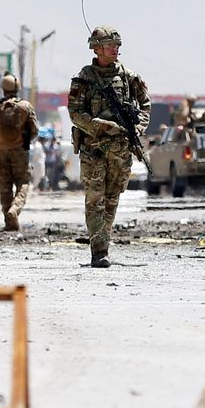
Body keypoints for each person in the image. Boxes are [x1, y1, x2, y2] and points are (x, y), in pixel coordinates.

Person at [68, 25, 150, 268]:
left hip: (120, 149)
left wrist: (139, 127)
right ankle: (99, 251)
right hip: (93, 148)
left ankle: (104, 241)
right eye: (109, 45)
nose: (115, 49)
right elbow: (75, 113)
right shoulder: (84, 79)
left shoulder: (129, 77)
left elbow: (145, 105)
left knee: (112, 198)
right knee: (95, 199)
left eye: (116, 45)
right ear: (96, 48)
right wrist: (102, 126)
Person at [0, 73, 39, 231]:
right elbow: (35, 130)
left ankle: (9, 222)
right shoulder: (25, 107)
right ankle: (14, 210)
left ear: (3, 88)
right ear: (18, 88)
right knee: (23, 183)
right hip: (20, 152)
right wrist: (24, 139)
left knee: (4, 186)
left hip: (1, 152)